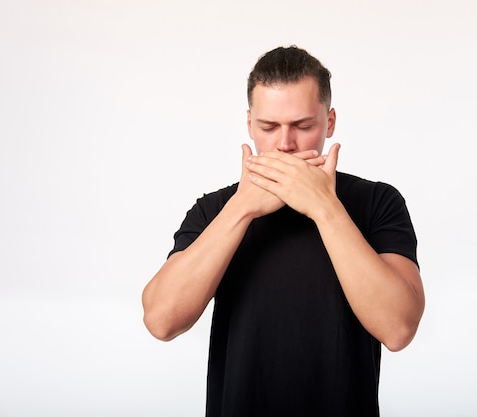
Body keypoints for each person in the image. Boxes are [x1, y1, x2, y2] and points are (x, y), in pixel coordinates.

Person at [142, 45, 425, 417]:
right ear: (248, 125)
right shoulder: (214, 209)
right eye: (269, 127)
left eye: (304, 126)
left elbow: (398, 328)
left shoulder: (376, 202)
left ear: (330, 122)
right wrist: (241, 209)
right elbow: (161, 321)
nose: (285, 144)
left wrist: (325, 208)